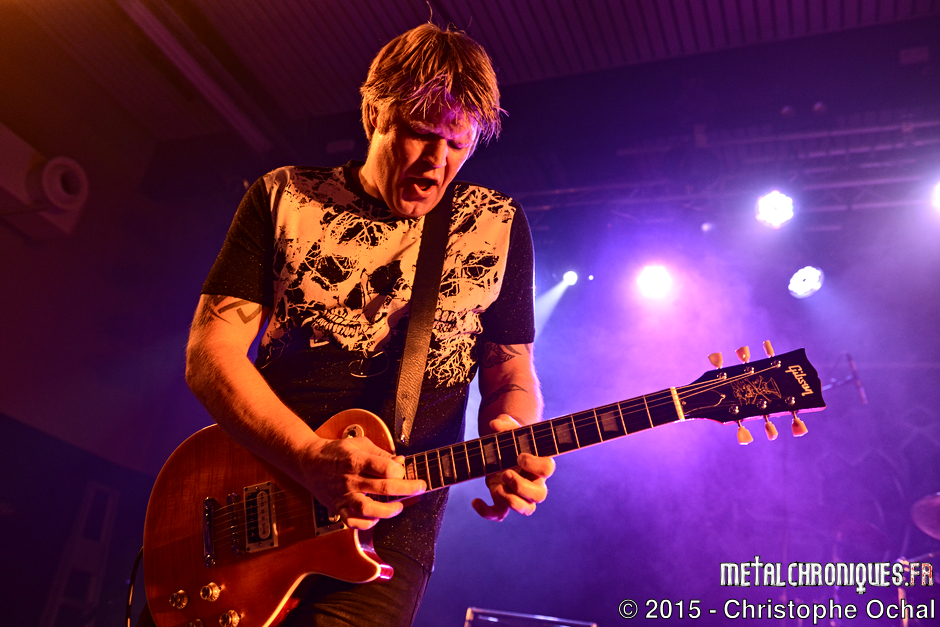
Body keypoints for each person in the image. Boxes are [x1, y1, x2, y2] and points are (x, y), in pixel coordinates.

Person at [183, 23, 554, 627]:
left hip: (390, 538)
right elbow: (211, 353)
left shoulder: (497, 226)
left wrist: (512, 432)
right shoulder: (285, 197)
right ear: (374, 113)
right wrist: (308, 455)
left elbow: (511, 370)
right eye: (421, 133)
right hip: (247, 502)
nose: (438, 162)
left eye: (457, 144)